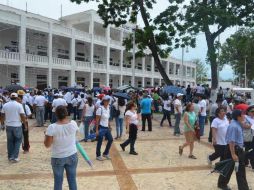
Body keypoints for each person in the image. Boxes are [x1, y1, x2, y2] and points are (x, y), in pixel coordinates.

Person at [44, 106, 79, 190]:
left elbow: (47, 145)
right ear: (66, 113)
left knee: (58, 182)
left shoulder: (52, 127)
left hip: (58, 157)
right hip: (72, 155)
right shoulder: (73, 124)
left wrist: (46, 135)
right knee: (72, 180)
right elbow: (75, 133)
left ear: (56, 115)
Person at [217, 109, 250, 190]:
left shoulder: (238, 123)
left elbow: (246, 125)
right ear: (238, 117)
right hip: (233, 150)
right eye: (242, 115)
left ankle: (243, 187)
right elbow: (231, 141)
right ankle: (222, 184)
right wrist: (233, 154)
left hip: (239, 149)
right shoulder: (233, 126)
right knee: (228, 167)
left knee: (240, 169)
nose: (244, 116)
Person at [1, 93, 27, 163]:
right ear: (16, 97)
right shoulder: (19, 105)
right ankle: (15, 157)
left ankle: (10, 157)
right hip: (17, 125)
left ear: (10, 97)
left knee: (10, 142)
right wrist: (25, 124)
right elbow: (22, 115)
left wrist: (2, 124)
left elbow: (2, 115)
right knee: (18, 141)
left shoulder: (5, 105)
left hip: (8, 125)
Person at [95, 95, 113, 161]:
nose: (107, 102)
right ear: (103, 101)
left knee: (110, 139)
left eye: (108, 101)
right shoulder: (100, 109)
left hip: (106, 127)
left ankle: (105, 153)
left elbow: (107, 119)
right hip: (101, 127)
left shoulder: (108, 108)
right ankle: (98, 155)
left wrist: (109, 126)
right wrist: (97, 130)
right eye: (106, 101)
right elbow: (97, 120)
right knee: (100, 141)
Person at [244, 106, 254, 170]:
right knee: (248, 150)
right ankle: (246, 162)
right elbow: (244, 126)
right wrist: (251, 125)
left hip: (253, 137)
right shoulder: (245, 117)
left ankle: (247, 162)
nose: (253, 113)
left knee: (251, 151)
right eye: (252, 111)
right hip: (248, 137)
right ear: (248, 112)